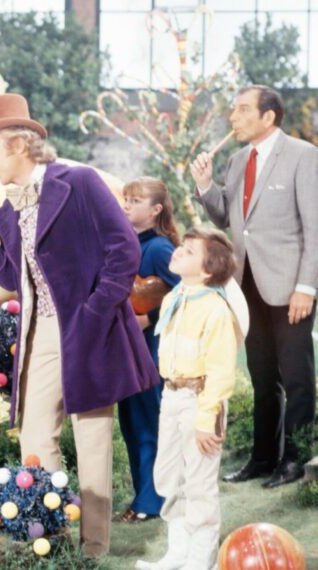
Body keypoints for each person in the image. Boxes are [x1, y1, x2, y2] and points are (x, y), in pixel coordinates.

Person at [0, 93, 158, 557]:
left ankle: (93, 548)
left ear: (21, 144)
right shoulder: (6, 208)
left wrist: (95, 311)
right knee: (35, 433)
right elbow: (10, 276)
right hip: (38, 332)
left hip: (89, 327)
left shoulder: (77, 182)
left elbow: (123, 247)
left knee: (93, 437)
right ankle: (50, 537)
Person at [192, 84, 317, 488]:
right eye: (233, 109)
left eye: (243, 109)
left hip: (290, 287)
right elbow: (226, 218)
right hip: (246, 286)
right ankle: (262, 458)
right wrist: (206, 185)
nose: (234, 117)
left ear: (269, 116)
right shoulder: (237, 159)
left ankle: (296, 460)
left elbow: (315, 229)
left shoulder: (303, 156)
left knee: (297, 377)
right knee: (263, 377)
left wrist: (306, 287)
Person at [136, 227, 246, 570]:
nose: (179, 251)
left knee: (198, 481)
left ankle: (201, 560)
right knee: (169, 475)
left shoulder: (215, 309)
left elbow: (221, 371)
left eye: (188, 250)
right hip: (171, 396)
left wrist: (206, 420)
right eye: (181, 247)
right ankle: (178, 554)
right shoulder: (173, 299)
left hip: (201, 401)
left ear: (209, 269)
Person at [115, 177, 181, 523]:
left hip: (150, 350)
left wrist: (150, 318)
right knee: (131, 422)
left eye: (135, 200)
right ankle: (142, 495)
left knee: (148, 422)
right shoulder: (127, 243)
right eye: (125, 198)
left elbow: (185, 293)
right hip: (127, 351)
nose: (126, 205)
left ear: (156, 210)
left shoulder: (158, 249)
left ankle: (154, 501)